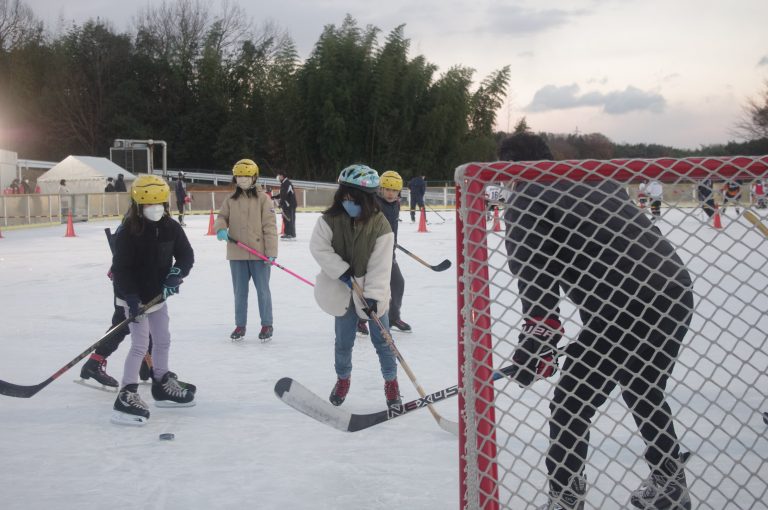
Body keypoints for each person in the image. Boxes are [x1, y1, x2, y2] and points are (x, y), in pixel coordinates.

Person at [499, 132, 693, 510]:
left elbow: (537, 286)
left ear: (508, 168)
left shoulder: (525, 199)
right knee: (644, 387)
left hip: (620, 306)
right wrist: (542, 341)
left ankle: (566, 496)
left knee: (571, 403)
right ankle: (670, 485)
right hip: (674, 290)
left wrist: (535, 346)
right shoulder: (592, 176)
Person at [309, 163, 401, 407]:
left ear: (367, 199)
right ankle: (343, 379)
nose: (348, 202)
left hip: (372, 292)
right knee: (343, 341)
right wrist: (340, 270)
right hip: (341, 290)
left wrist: (372, 297)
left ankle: (391, 383)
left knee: (383, 341)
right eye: (345, 197)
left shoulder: (381, 226)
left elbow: (381, 267)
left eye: (354, 198)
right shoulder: (330, 219)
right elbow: (319, 247)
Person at [110, 174, 195, 425]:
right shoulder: (128, 232)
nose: (155, 209)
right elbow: (121, 270)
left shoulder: (171, 227)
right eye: (149, 205)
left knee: (162, 338)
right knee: (139, 344)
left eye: (159, 204)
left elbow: (186, 256)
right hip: (133, 298)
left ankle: (161, 382)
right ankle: (127, 393)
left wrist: (175, 276)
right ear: (138, 206)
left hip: (157, 296)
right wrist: (132, 299)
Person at [79, 226, 153, 389]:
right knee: (124, 324)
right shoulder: (135, 221)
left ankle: (147, 365)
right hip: (127, 283)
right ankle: (94, 363)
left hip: (139, 281)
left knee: (146, 320)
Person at [213, 159, 277, 341]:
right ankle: (240, 325)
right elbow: (222, 217)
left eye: (246, 176)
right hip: (237, 252)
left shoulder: (264, 199)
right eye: (239, 176)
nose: (242, 180)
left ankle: (267, 324)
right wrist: (220, 228)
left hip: (260, 254)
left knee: (263, 291)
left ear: (254, 177)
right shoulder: (230, 199)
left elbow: (270, 227)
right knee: (240, 292)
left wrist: (271, 252)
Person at [374, 170, 411, 333]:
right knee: (371, 288)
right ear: (381, 189)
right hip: (373, 254)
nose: (390, 193)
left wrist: (393, 244)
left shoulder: (396, 204)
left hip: (389, 253)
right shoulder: (374, 204)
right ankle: (359, 320)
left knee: (398, 283)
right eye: (387, 189)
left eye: (394, 190)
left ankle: (393, 317)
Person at [272, 170, 297, 239]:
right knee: (286, 218)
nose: (278, 177)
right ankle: (288, 233)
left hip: (289, 205)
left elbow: (284, 195)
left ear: (282, 176)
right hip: (288, 204)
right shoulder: (284, 183)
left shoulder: (286, 183)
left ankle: (290, 234)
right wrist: (275, 197)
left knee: (288, 218)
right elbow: (282, 194)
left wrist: (280, 203)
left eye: (279, 176)